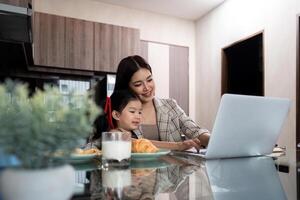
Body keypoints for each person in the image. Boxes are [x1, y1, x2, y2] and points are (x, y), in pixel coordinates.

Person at [114, 55, 210, 151]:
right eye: (138, 84)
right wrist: (179, 146)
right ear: (126, 87)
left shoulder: (170, 105)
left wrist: (213, 140)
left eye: (149, 80)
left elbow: (195, 131)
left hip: (174, 165)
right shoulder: (122, 113)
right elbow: (124, 141)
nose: (147, 87)